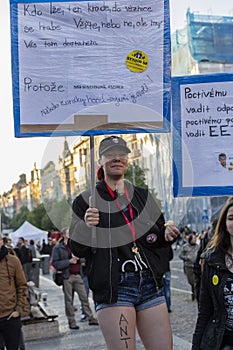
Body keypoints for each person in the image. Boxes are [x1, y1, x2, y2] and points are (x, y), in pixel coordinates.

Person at [69, 135, 179, 349]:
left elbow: (156, 237)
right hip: (115, 287)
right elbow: (77, 249)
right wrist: (86, 225)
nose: (116, 158)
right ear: (100, 160)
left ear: (128, 160)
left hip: (149, 283)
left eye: (121, 154)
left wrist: (165, 235)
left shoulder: (142, 195)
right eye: (110, 154)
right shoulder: (86, 200)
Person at [192, 196, 233, 350]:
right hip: (222, 341)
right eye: (231, 218)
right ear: (224, 223)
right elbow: (205, 312)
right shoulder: (212, 260)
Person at [51, 227, 98, 330]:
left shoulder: (76, 245)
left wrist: (80, 259)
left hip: (78, 275)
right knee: (69, 300)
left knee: (84, 297)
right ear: (63, 235)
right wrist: (69, 262)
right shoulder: (58, 248)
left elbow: (84, 257)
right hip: (67, 276)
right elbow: (55, 263)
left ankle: (90, 317)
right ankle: (71, 321)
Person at [0, 233, 28, 350]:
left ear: (2, 241)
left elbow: (22, 286)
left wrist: (18, 310)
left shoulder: (13, 261)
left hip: (9, 316)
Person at [179, 233, 199, 301]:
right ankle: (194, 293)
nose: (195, 240)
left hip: (196, 266)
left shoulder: (198, 246)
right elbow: (180, 255)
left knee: (196, 281)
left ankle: (196, 295)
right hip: (188, 266)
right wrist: (186, 257)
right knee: (191, 281)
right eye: (193, 239)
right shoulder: (185, 246)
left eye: (195, 239)